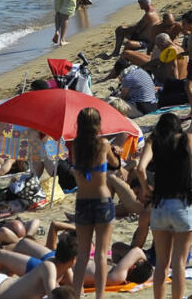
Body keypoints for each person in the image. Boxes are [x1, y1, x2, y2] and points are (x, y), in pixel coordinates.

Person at [137, 113, 192, 299]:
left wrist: (146, 187)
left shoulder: (153, 140)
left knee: (162, 263)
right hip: (182, 203)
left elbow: (140, 168)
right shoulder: (187, 138)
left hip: (160, 204)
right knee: (179, 263)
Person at [68, 108, 116, 299]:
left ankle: (76, 294)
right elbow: (115, 163)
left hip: (82, 201)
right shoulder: (103, 144)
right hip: (102, 200)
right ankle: (99, 296)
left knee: (82, 254)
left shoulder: (75, 146)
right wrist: (117, 153)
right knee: (101, 255)